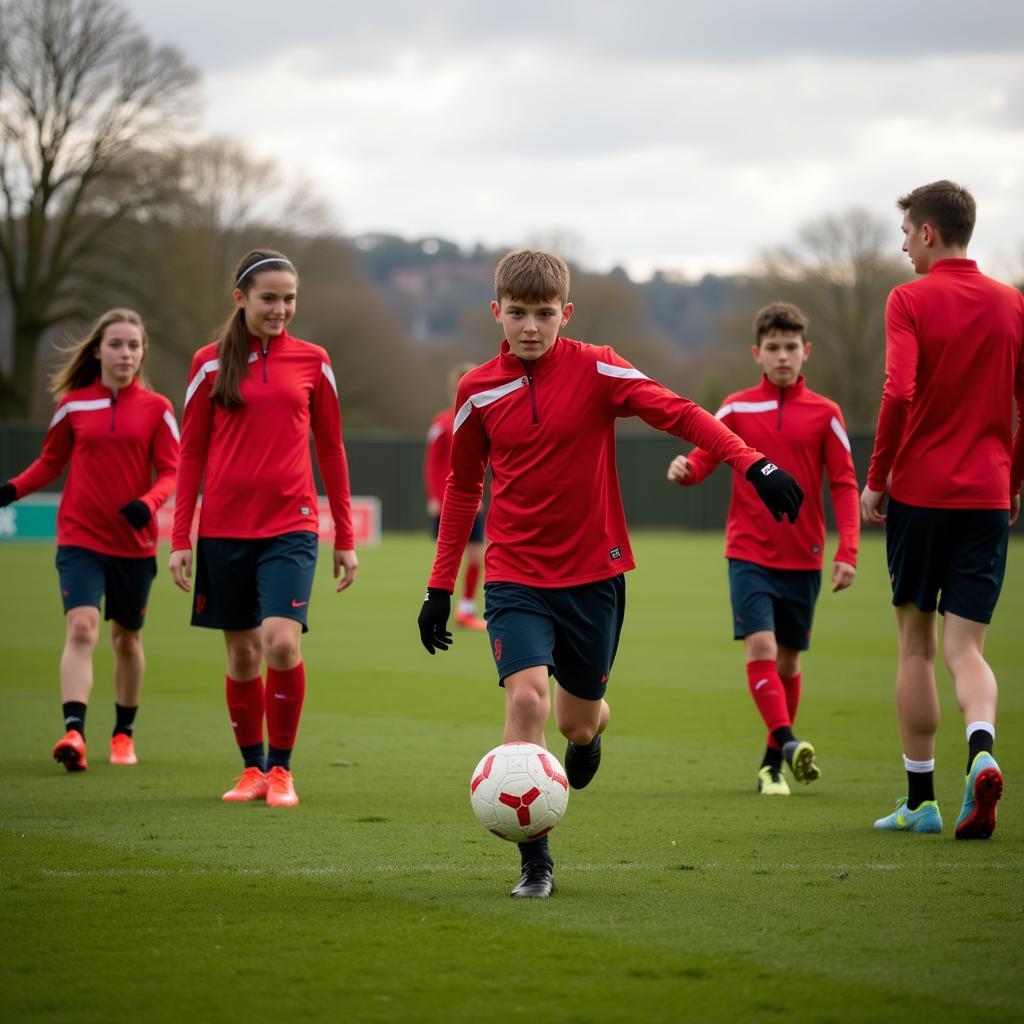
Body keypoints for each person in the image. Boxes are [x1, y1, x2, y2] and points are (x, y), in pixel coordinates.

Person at [417, 249, 804, 899]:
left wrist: (753, 463)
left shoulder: (599, 366)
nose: (531, 328)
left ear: (565, 313)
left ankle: (593, 729)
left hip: (594, 577)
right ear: (497, 313)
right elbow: (461, 489)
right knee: (526, 699)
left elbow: (678, 411)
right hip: (514, 573)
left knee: (577, 722)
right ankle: (535, 862)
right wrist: (438, 585)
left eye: (544, 314)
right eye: (517, 314)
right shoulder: (476, 390)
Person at [862, 180, 1023, 839]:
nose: (903, 247)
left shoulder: (909, 299)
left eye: (905, 234)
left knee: (916, 645)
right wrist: (1013, 479)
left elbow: (899, 391)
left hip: (921, 495)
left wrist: (877, 478)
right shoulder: (1013, 303)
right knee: (967, 649)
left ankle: (922, 801)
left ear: (928, 232)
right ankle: (981, 747)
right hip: (988, 495)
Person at [169, 249, 358, 808]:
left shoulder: (314, 360)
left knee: (279, 641)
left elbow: (332, 449)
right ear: (241, 299)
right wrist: (181, 537)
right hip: (225, 530)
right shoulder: (208, 363)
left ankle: (281, 770)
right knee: (243, 655)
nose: (281, 309)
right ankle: (251, 769)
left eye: (289, 299)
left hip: (291, 526)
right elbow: (190, 455)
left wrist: (344, 535)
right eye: (269, 298)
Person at [667, 302, 859, 795]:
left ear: (806, 351)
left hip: (804, 556)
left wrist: (848, 551)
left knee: (790, 663)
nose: (782, 356)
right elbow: (704, 458)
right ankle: (791, 743)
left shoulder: (827, 413)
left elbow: (843, 484)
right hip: (749, 553)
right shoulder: (735, 407)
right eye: (772, 348)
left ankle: (772, 761)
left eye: (791, 347)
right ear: (757, 353)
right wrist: (686, 470)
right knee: (762, 648)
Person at [0, 309, 179, 771]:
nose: (126, 353)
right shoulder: (74, 405)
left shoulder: (158, 408)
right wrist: (12, 489)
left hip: (133, 545)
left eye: (134, 345)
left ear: (142, 353)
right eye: (117, 344)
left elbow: (174, 471)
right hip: (79, 538)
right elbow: (50, 461)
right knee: (81, 627)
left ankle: (123, 733)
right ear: (97, 350)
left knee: (126, 641)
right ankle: (74, 734)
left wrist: (150, 500)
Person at [424, 362, 486, 630]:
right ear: (453, 387)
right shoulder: (442, 422)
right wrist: (435, 497)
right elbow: (432, 463)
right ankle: (439, 605)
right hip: (449, 502)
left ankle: (466, 609)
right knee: (448, 558)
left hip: (473, 502)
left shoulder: (483, 419)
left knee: (476, 557)